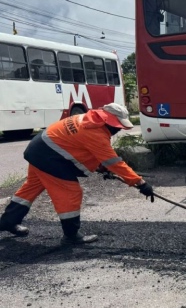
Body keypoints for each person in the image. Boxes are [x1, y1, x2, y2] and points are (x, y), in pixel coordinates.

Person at [0, 103, 155, 245]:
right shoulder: (95, 132)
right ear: (107, 120)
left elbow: (80, 149)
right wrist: (140, 183)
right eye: (117, 125)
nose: (119, 129)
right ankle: (71, 235)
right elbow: (113, 162)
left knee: (31, 188)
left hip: (38, 149)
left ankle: (8, 221)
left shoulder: (87, 119)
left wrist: (101, 167)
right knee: (70, 192)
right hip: (48, 157)